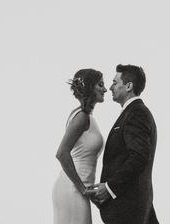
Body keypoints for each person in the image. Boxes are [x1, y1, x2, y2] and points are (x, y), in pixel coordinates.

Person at [86, 64, 159, 224]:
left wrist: (110, 188)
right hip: (131, 208)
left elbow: (139, 157)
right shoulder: (133, 112)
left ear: (128, 86)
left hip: (128, 210)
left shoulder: (136, 113)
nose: (110, 87)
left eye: (114, 82)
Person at [52, 69, 107, 224]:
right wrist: (82, 188)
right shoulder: (81, 117)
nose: (105, 89)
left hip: (77, 189)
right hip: (72, 189)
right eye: (100, 85)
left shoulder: (87, 116)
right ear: (90, 87)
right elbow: (61, 153)